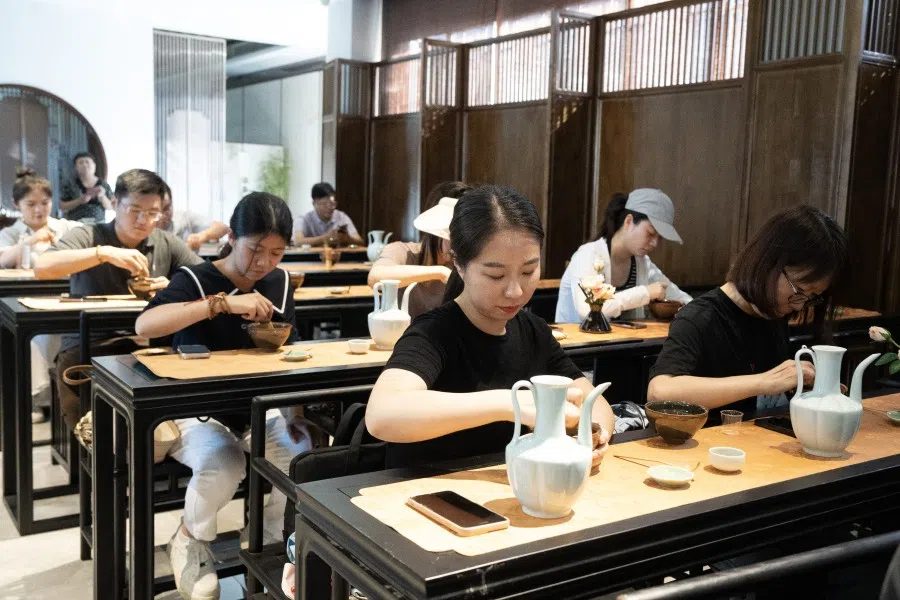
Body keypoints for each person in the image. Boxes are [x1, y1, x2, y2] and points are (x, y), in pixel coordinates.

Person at [365, 184, 615, 469]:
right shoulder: (434, 333)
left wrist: (596, 434)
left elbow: (593, 399)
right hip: (423, 499)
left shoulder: (532, 330)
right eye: (495, 275)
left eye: (528, 271)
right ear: (458, 264)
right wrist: (508, 404)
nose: (515, 291)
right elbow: (382, 415)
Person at [135, 192, 309, 600]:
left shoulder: (279, 283)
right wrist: (221, 304)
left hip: (258, 408)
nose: (264, 263)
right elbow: (146, 324)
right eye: (255, 250)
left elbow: (289, 353)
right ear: (232, 237)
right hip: (195, 411)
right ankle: (189, 540)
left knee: (302, 459)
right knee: (224, 462)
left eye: (277, 252)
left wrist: (295, 414)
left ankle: (267, 541)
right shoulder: (196, 278)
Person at [35, 168, 203, 432]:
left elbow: (206, 281)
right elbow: (42, 267)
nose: (143, 220)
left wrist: (175, 287)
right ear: (115, 204)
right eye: (134, 210)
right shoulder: (89, 236)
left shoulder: (166, 243)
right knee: (102, 430)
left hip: (148, 347)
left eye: (152, 213)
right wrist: (102, 253)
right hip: (90, 345)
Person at [647, 204, 849, 420]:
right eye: (799, 291)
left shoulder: (772, 314)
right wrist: (764, 382)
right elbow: (660, 392)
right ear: (769, 262)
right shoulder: (701, 317)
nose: (799, 305)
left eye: (811, 297)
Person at [0, 169, 81, 422]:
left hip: (65, 298)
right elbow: (2, 262)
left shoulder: (65, 226)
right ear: (17, 205)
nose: (39, 210)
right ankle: (36, 399)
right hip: (23, 303)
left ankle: (60, 396)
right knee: (31, 339)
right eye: (31, 204)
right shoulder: (11, 233)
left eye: (45, 203)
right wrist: (30, 241)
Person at [556, 189, 692, 323]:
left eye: (660, 238)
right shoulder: (588, 255)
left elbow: (680, 297)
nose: (655, 243)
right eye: (650, 233)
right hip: (576, 343)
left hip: (619, 343)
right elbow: (589, 310)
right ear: (628, 221)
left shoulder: (641, 262)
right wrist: (645, 293)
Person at [367, 181, 472, 318]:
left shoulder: (465, 262)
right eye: (451, 232)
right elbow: (375, 278)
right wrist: (439, 272)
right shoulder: (403, 251)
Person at [157, 182, 230, 251]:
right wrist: (187, 247)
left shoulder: (183, 218)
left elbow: (222, 227)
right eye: (160, 209)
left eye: (168, 206)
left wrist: (201, 236)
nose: (165, 214)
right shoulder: (147, 228)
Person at [292, 182, 363, 246]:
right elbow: (298, 241)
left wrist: (347, 239)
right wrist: (326, 238)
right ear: (314, 203)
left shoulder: (341, 217)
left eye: (332, 204)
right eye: (325, 204)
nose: (329, 207)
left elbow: (360, 242)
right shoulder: (303, 219)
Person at [59, 152, 114, 223]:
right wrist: (79, 201)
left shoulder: (103, 184)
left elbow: (110, 207)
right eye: (81, 163)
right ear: (76, 167)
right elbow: (62, 206)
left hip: (98, 224)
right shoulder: (70, 184)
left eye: (87, 162)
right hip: (76, 223)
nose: (84, 165)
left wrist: (102, 197)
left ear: (94, 165)